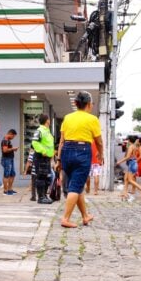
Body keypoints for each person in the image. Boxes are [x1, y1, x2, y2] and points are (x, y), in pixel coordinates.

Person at [56, 91, 103, 228]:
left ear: (76, 103)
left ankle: (85, 216)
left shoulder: (67, 118)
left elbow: (61, 141)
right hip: (82, 152)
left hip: (66, 152)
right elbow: (99, 142)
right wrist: (101, 154)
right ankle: (65, 218)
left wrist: (59, 159)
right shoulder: (92, 119)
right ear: (89, 104)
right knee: (75, 187)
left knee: (77, 185)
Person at [31, 114, 55, 204]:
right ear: (47, 120)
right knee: (41, 177)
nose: (50, 120)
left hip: (47, 158)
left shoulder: (47, 131)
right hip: (40, 157)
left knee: (47, 177)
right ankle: (41, 197)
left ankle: (45, 196)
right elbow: (34, 142)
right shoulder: (39, 130)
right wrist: (43, 151)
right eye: (49, 119)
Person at [116, 135, 141, 199]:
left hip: (132, 163)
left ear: (129, 140)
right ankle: (125, 193)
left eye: (128, 140)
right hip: (133, 163)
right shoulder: (134, 146)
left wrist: (119, 162)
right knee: (126, 179)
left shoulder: (131, 147)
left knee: (130, 180)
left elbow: (128, 157)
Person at [1, 129, 19, 195]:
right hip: (6, 159)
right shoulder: (5, 140)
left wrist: (13, 150)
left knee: (12, 174)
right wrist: (13, 149)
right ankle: (5, 191)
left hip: (10, 159)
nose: (13, 138)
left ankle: (10, 189)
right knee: (6, 175)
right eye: (13, 136)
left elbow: (7, 149)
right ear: (11, 134)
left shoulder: (8, 140)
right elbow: (5, 150)